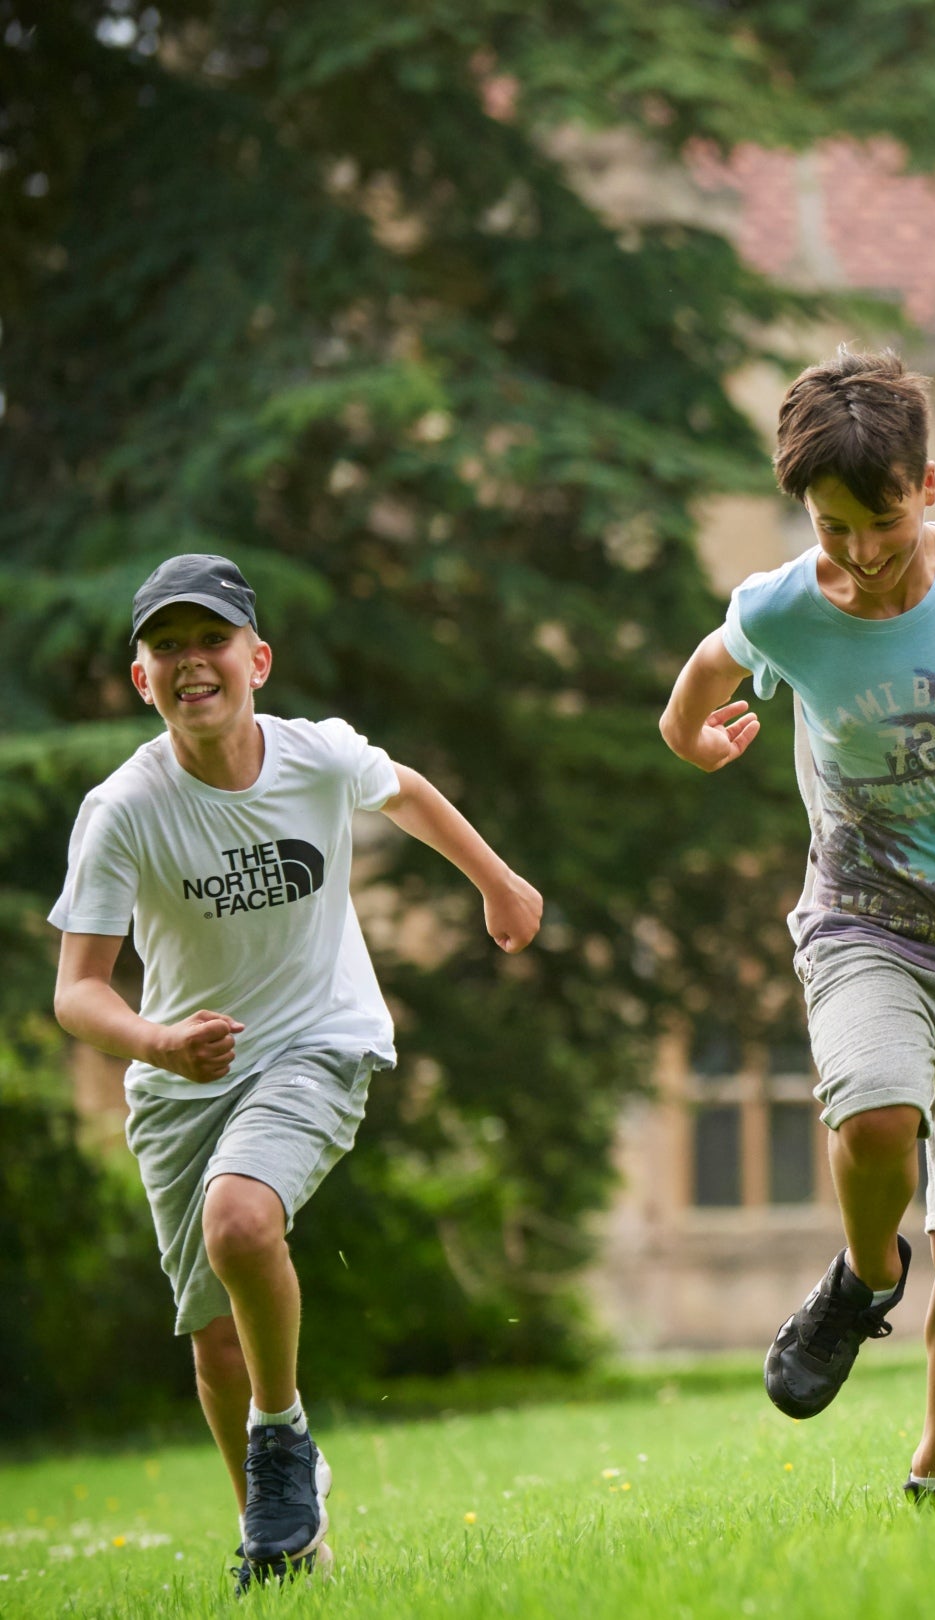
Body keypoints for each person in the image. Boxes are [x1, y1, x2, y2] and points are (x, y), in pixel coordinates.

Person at [50, 555, 544, 1590]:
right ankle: (280, 1549)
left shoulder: (316, 756)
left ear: (257, 660)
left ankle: (282, 1437)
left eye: (212, 641)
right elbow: (79, 991)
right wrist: (158, 1041)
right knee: (216, 1344)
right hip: (181, 1080)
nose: (193, 663)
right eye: (167, 649)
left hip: (318, 1041)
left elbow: (405, 792)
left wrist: (498, 884)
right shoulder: (124, 809)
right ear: (142, 681)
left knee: (240, 1223)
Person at [658, 347, 935, 1501]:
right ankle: (861, 1273)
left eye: (880, 522)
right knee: (877, 1115)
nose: (859, 553)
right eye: (833, 527)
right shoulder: (782, 607)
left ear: (927, 487)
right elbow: (690, 696)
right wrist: (703, 741)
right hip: (863, 920)